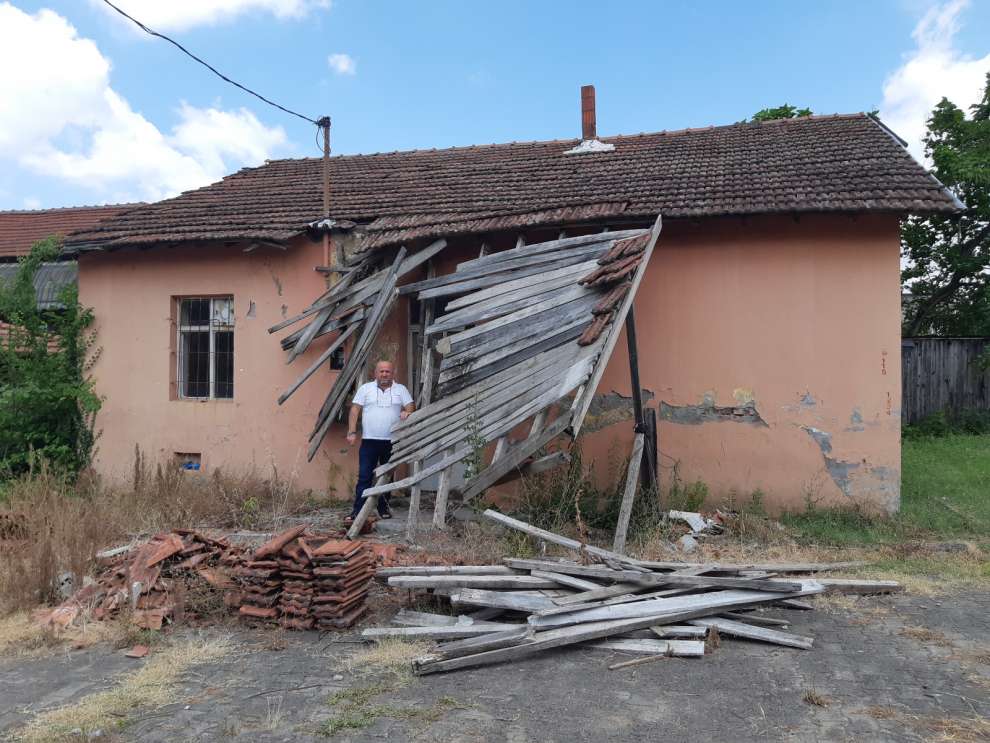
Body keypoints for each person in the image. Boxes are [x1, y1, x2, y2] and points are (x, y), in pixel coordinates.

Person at [345, 360, 415, 523]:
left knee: (387, 477)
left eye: (387, 371)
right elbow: (355, 409)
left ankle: (383, 508)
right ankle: (358, 511)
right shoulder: (365, 389)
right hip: (369, 441)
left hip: (391, 442)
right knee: (364, 477)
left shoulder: (401, 389)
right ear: (375, 373)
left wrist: (407, 412)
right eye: (381, 371)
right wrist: (351, 431)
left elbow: (411, 405)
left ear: (393, 373)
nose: (384, 374)